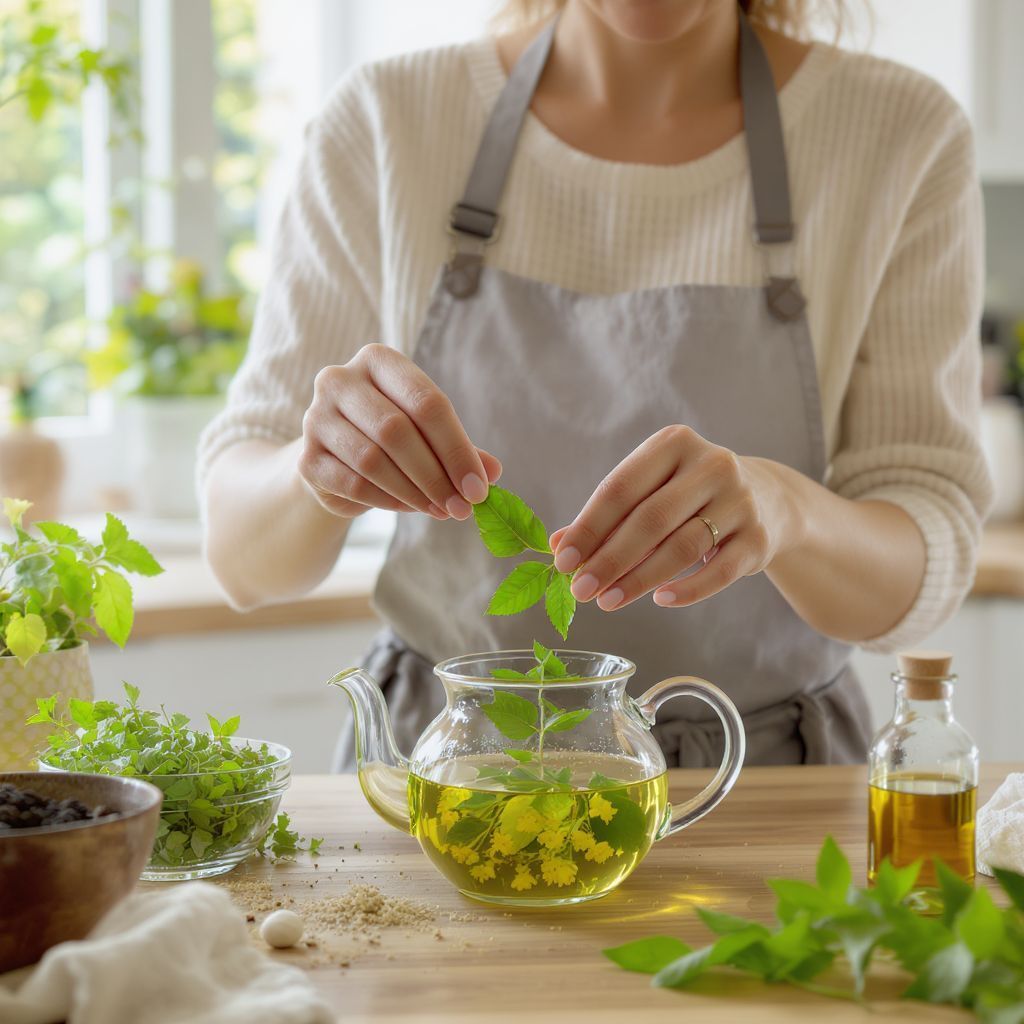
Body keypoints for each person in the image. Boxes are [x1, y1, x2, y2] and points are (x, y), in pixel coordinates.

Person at [199, 0, 992, 769]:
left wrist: (788, 511)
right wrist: (322, 468)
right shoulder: (388, 118)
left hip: (766, 793)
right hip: (447, 783)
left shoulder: (899, 134)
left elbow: (926, 550)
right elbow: (242, 558)